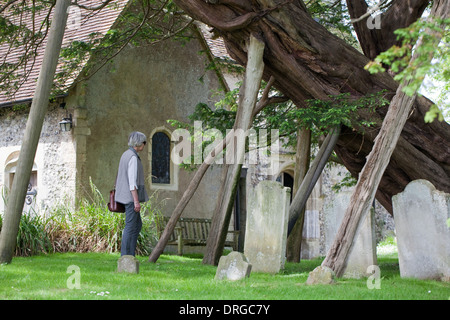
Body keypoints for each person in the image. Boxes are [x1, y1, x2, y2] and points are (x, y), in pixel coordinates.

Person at [115, 131, 149, 256]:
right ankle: (126, 256)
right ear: (139, 143)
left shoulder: (126, 154)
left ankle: (129, 254)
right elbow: (132, 182)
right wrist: (136, 201)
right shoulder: (133, 158)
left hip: (124, 196)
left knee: (137, 225)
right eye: (144, 142)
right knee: (130, 227)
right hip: (130, 198)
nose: (145, 145)